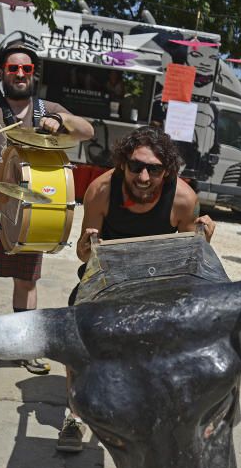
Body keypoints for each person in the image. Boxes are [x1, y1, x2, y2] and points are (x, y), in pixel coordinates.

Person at [58, 125, 216, 451]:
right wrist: (87, 246)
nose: (143, 177)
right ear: (122, 164)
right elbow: (83, 254)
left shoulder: (184, 199)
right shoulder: (101, 190)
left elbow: (189, 259)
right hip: (105, 278)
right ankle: (75, 415)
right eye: (135, 166)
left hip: (154, 281)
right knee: (76, 333)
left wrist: (203, 239)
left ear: (167, 171)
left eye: (154, 169)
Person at [0, 32, 93, 374]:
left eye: (27, 67)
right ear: (2, 72)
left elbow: (86, 131)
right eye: (13, 67)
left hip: (31, 210)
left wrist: (62, 122)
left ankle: (26, 346)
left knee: (26, 282)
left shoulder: (50, 110)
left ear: (34, 73)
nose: (21, 73)